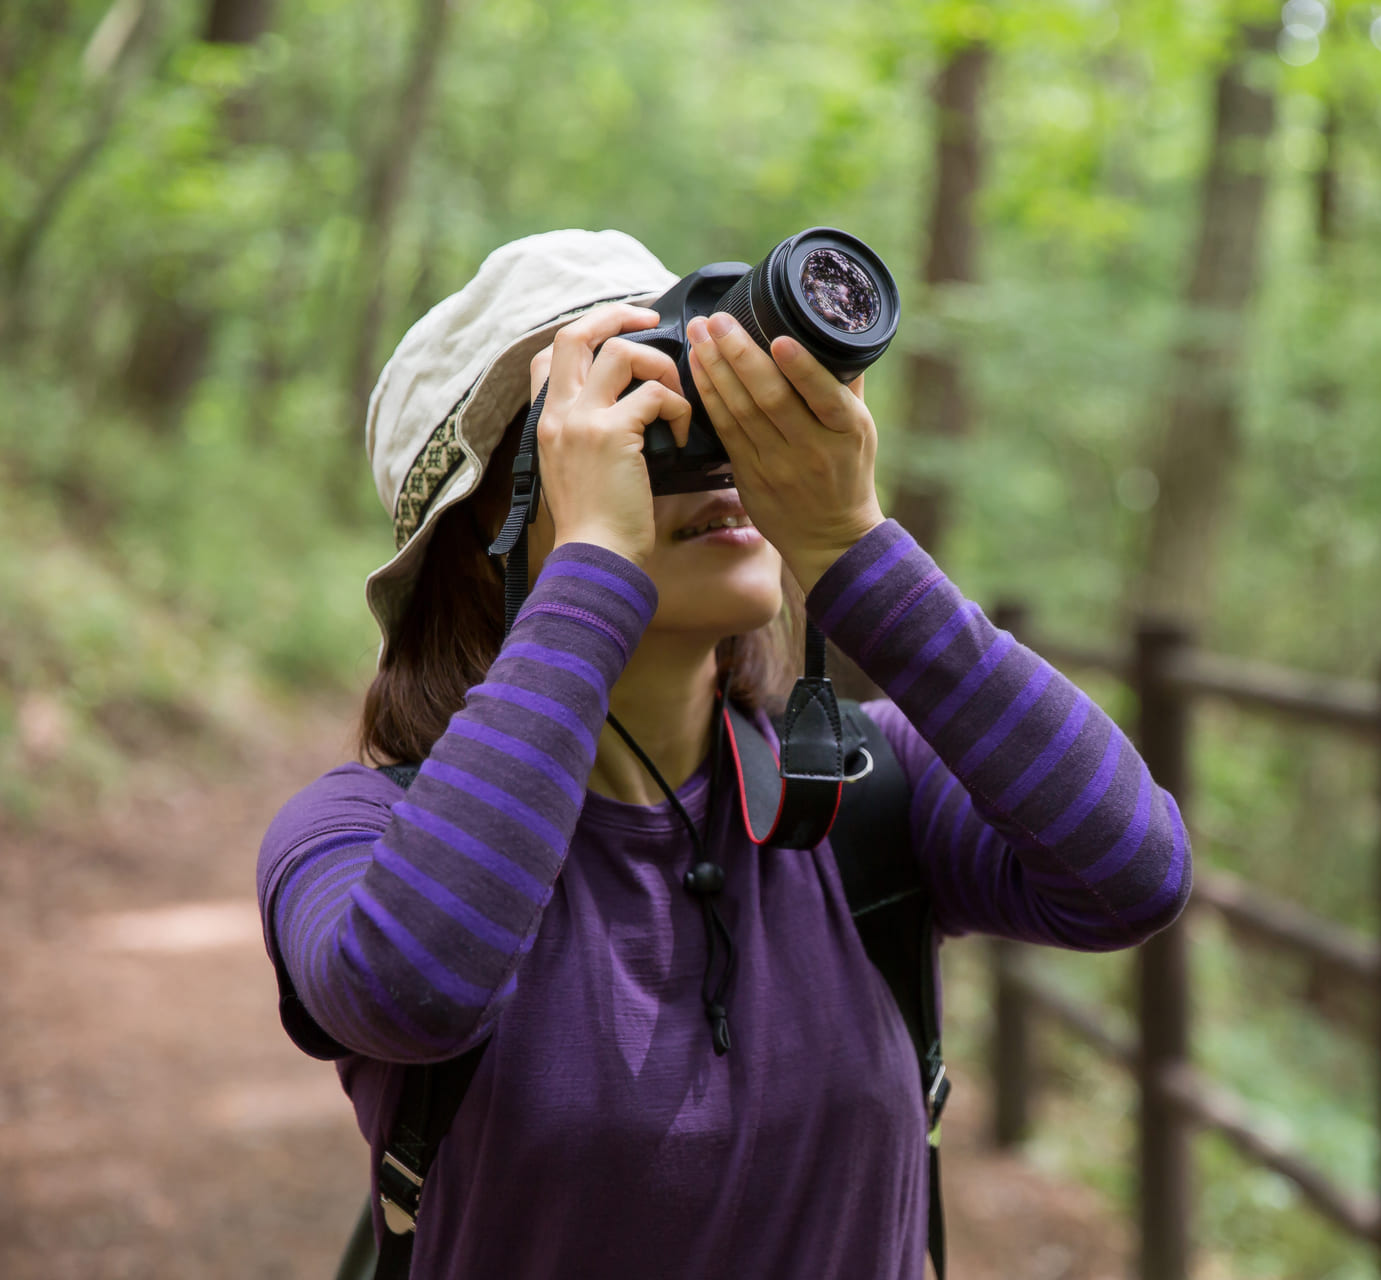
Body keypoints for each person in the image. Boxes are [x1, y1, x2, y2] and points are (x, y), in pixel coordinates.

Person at [256, 228, 1192, 1279]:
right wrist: (598, 561)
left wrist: (851, 551)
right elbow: (412, 984)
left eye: (713, 409)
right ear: (485, 536)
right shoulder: (359, 836)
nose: (713, 456)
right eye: (629, 422)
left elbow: (1135, 871)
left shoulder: (863, 799)